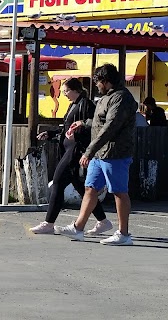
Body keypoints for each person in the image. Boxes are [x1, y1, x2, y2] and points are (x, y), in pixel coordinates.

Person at [57, 63, 138, 246]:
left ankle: (123, 234)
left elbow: (110, 127)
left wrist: (89, 151)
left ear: (106, 81)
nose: (96, 85)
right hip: (100, 153)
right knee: (90, 188)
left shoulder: (121, 98)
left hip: (115, 153)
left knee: (119, 191)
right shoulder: (106, 97)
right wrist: (84, 122)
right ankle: (78, 228)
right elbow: (100, 120)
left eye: (98, 81)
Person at [29, 78, 111, 235]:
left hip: (75, 151)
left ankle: (48, 223)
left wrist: (77, 134)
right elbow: (66, 128)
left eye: (66, 91)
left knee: (58, 182)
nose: (64, 94)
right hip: (68, 149)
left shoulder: (85, 104)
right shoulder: (73, 104)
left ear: (76, 90)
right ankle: (103, 221)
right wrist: (51, 133)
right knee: (82, 189)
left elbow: (92, 126)